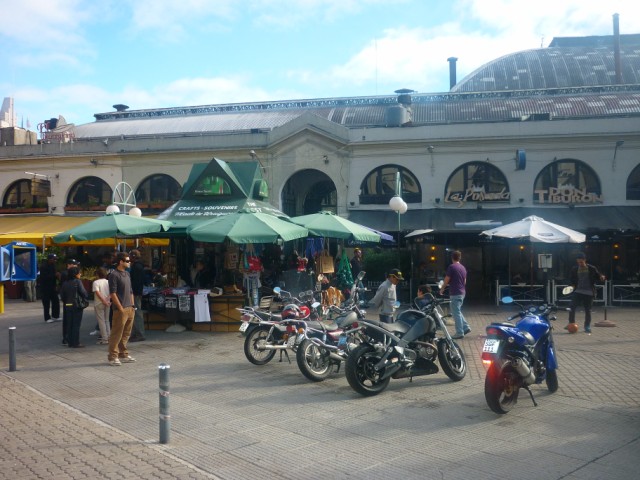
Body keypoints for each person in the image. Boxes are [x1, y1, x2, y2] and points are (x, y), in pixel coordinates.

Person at [107, 252, 136, 366]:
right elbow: (112, 293)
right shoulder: (114, 275)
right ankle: (113, 357)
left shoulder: (127, 274)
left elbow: (130, 291)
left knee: (126, 333)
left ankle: (123, 353)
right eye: (127, 261)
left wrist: (133, 306)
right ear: (121, 262)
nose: (129, 263)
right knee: (116, 333)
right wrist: (120, 308)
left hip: (130, 308)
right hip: (121, 309)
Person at [567, 252, 605, 334]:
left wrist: (602, 277)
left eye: (581, 262)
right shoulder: (574, 269)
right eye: (578, 262)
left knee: (588, 310)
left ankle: (587, 326)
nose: (580, 263)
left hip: (589, 292)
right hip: (578, 291)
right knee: (571, 307)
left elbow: (599, 276)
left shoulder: (591, 268)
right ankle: (571, 323)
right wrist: (571, 286)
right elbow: (571, 280)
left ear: (585, 260)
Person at [439, 250, 471, 339]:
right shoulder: (463, 268)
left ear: (452, 258)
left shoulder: (452, 267)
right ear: (460, 258)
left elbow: (447, 279)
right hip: (462, 292)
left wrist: (442, 288)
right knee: (457, 311)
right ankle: (465, 327)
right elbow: (464, 281)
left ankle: (459, 332)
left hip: (455, 293)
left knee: (455, 312)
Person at [59, 267, 88, 348]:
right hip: (77, 306)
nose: (80, 274)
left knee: (69, 324)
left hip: (68, 305)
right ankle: (76, 342)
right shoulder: (78, 282)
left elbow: (62, 295)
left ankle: (70, 342)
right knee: (76, 324)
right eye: (79, 273)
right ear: (75, 274)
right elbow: (83, 293)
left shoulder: (65, 283)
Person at [60, 258, 80, 345]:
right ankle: (66, 337)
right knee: (68, 320)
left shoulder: (67, 274)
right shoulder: (66, 274)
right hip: (69, 300)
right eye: (75, 264)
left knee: (70, 320)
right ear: (70, 265)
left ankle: (68, 337)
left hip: (69, 300)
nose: (76, 266)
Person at [128, 249, 146, 342]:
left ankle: (139, 334)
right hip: (137, 292)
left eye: (130, 256)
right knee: (135, 312)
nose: (129, 258)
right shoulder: (139, 266)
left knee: (137, 313)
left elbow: (135, 281)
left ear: (133, 257)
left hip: (135, 292)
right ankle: (136, 333)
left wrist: (132, 292)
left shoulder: (136, 267)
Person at [92, 268, 111, 345]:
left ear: (97, 274)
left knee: (101, 321)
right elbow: (112, 292)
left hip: (99, 303)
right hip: (108, 302)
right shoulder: (108, 282)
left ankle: (105, 338)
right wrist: (107, 300)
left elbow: (97, 292)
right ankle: (109, 337)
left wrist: (103, 301)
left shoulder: (96, 282)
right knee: (107, 320)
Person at [39, 253, 60, 323]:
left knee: (56, 301)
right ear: (50, 259)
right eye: (54, 259)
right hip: (45, 288)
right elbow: (44, 277)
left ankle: (55, 316)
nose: (55, 261)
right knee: (46, 303)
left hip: (52, 287)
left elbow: (54, 276)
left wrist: (57, 279)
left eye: (55, 259)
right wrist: (54, 275)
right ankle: (47, 318)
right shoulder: (43, 267)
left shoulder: (53, 265)